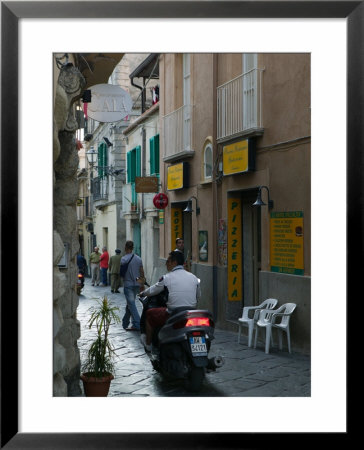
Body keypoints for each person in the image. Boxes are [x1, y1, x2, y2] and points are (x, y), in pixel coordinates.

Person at [139, 250, 201, 352]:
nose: (166, 263)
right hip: (191, 313)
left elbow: (153, 290)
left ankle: (148, 344)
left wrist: (143, 293)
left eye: (168, 261)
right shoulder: (194, 278)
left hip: (173, 313)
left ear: (174, 262)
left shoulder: (167, 278)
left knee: (150, 314)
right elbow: (198, 295)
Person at [121, 240, 145, 331]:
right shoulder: (138, 259)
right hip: (137, 284)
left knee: (131, 304)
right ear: (133, 248)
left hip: (128, 284)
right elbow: (142, 272)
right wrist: (142, 283)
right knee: (130, 304)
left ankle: (138, 323)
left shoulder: (123, 259)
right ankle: (126, 322)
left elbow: (122, 273)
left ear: (125, 248)